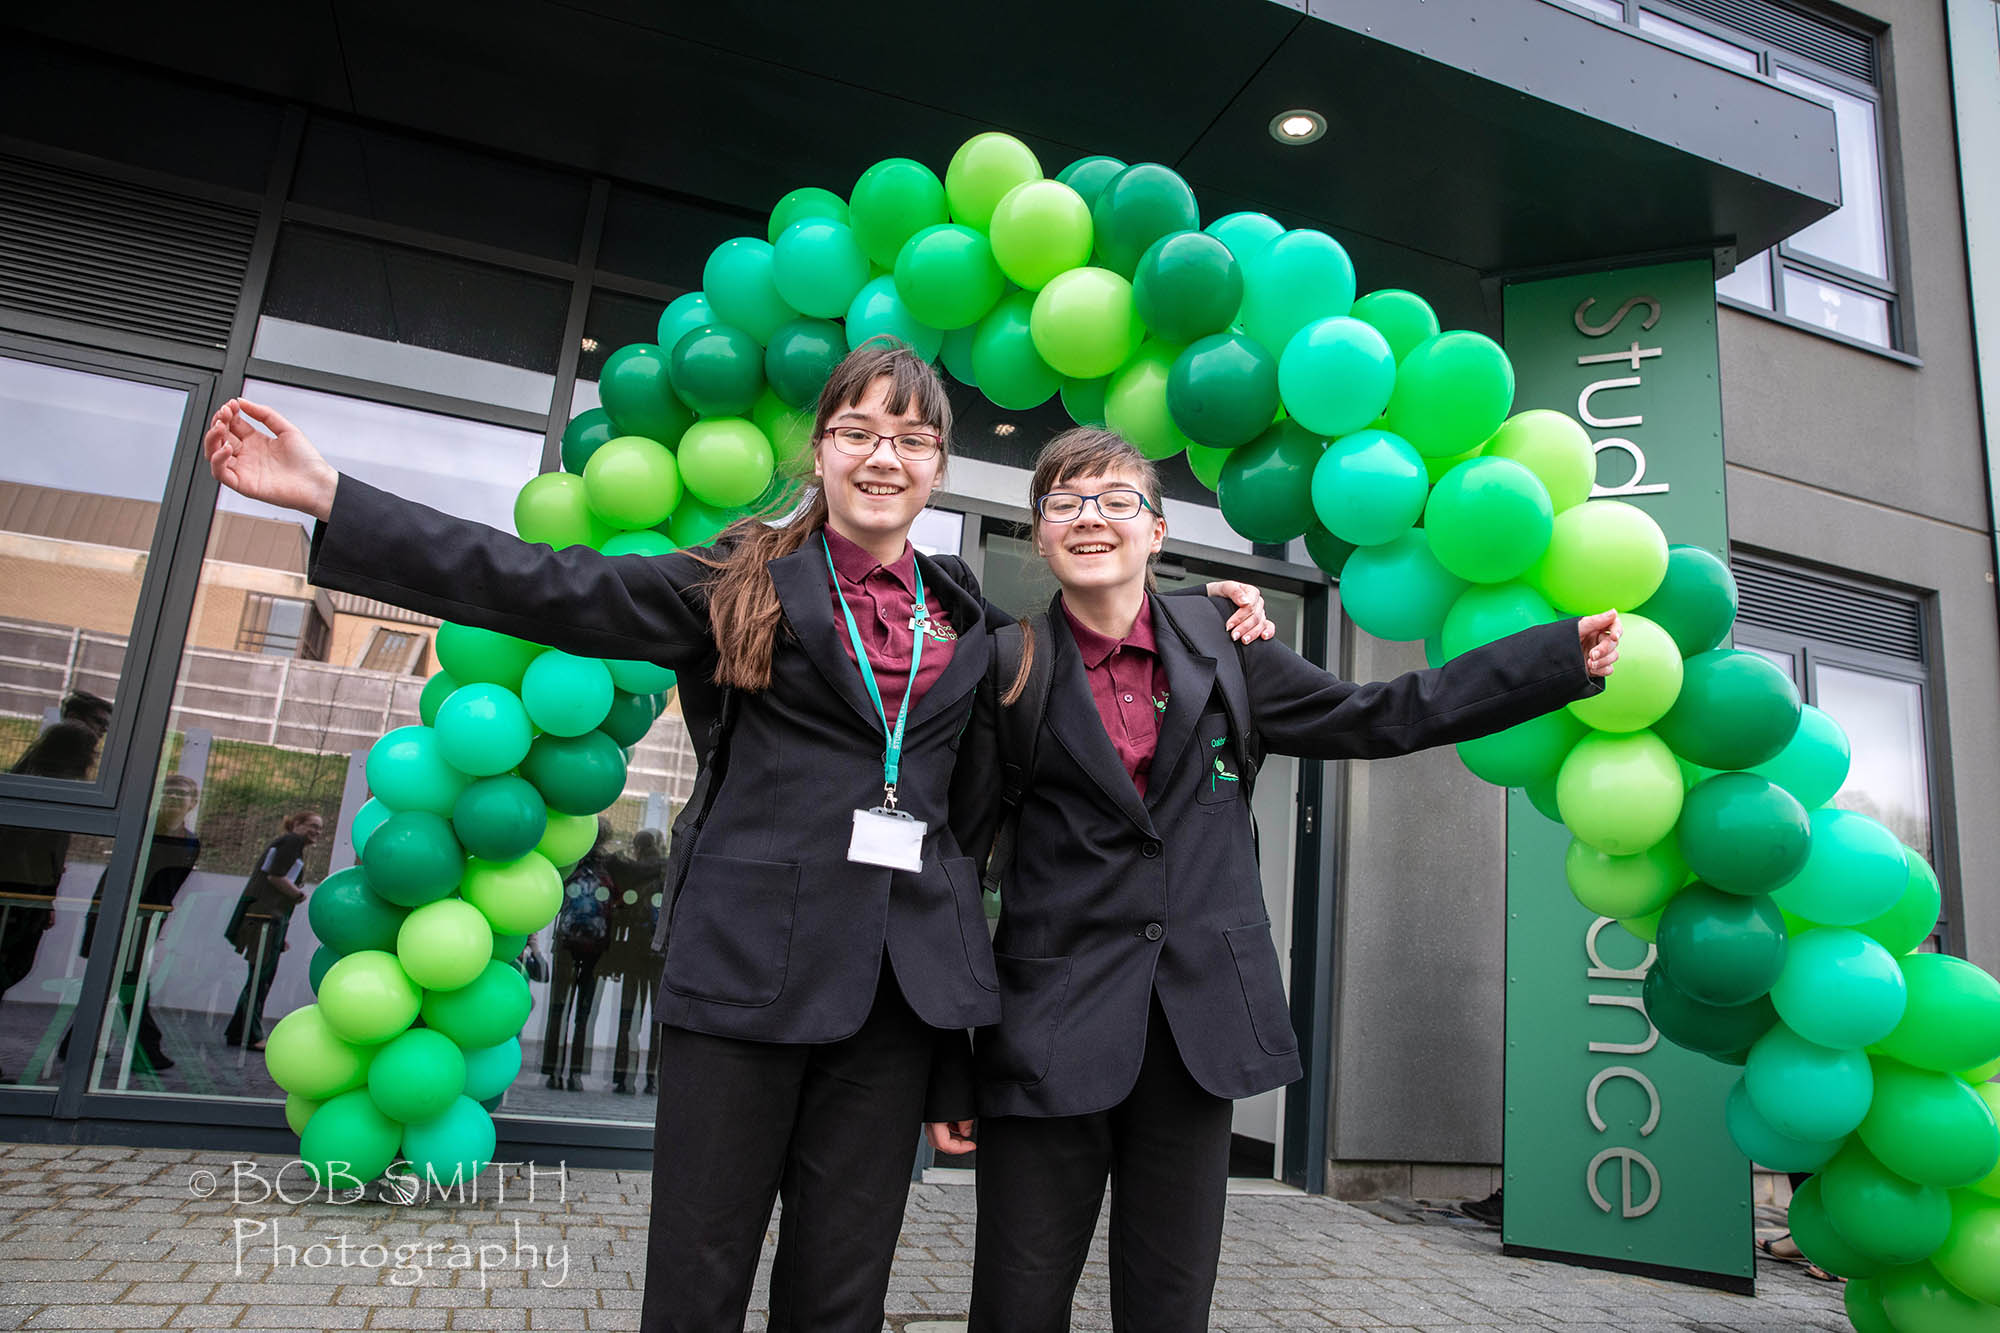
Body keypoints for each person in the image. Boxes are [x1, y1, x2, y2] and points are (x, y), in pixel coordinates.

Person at [200, 339, 1272, 1333]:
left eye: (908, 436)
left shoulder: (974, 622)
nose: (881, 455)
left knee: (841, 1287)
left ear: (936, 462)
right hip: (747, 979)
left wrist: (1200, 610)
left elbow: (1066, 694)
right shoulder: (736, 581)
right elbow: (546, 584)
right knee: (699, 1274)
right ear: (821, 449)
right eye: (857, 430)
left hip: (895, 1002)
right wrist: (333, 498)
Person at [941, 429, 1623, 1333]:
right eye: (1063, 502)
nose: (1090, 519)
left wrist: (1552, 660)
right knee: (1016, 1306)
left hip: (1199, 1028)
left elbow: (1379, 715)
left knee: (1170, 1305)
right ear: (1038, 533)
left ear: (1156, 531)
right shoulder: (1005, 666)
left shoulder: (1227, 641)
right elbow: (957, 862)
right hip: (1047, 1035)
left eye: (1116, 500)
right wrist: (951, 1064)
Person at [0, 691, 114, 1080]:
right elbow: (53, 813)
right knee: (7, 965)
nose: (101, 735)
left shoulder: (54, 742)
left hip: (29, 878)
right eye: (101, 723)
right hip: (20, 878)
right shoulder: (72, 735)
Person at [67, 773, 202, 1073]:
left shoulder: (191, 841)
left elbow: (168, 883)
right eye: (168, 792)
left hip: (145, 922)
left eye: (181, 794)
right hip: (114, 915)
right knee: (127, 983)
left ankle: (75, 1043)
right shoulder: (139, 829)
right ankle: (146, 1050)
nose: (174, 799)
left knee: (116, 982)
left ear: (193, 802)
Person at [222, 810, 322, 1051]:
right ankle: (251, 1035)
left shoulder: (288, 844)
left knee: (259, 977)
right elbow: (275, 876)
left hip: (268, 920)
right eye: (312, 826)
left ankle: (238, 1032)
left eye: (320, 828)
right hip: (264, 920)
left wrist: (282, 935)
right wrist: (297, 894)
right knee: (260, 979)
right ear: (296, 824)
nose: (317, 832)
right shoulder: (291, 841)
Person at [543, 818, 614, 1091]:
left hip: (571, 942)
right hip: (592, 946)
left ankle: (556, 1070)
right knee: (582, 1013)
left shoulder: (572, 863)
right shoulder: (606, 867)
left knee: (560, 1008)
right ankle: (573, 1072)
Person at [605, 827, 668, 1096]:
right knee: (657, 1019)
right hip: (660, 956)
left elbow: (619, 914)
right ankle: (652, 1079)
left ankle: (623, 1076)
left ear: (637, 847)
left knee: (627, 1016)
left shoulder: (629, 871)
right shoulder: (668, 871)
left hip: (633, 951)